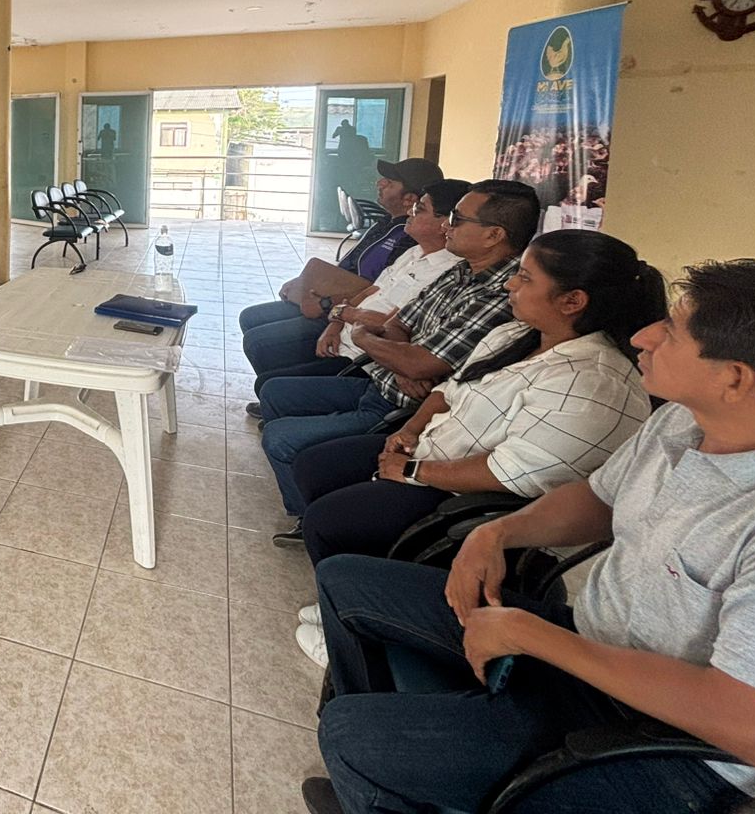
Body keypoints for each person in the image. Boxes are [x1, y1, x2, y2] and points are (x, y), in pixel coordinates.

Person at [301, 258, 755, 814]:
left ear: (734, 377)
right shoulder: (681, 423)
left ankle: (391, 773)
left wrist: (532, 635)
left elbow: (750, 726)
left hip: (662, 740)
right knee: (345, 582)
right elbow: (597, 498)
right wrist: (498, 533)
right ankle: (407, 777)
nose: (643, 335)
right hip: (590, 644)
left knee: (350, 736)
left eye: (670, 331)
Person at [288, 229, 666, 664]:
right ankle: (347, 598)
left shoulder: (592, 383)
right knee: (316, 467)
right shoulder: (516, 336)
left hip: (470, 500)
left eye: (526, 278)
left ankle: (360, 635)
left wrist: (411, 472)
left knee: (330, 522)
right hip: (430, 453)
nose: (510, 284)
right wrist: (409, 431)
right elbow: (450, 389)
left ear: (572, 301)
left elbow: (511, 473)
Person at [260, 179, 539, 539]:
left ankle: (320, 520)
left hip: (403, 409)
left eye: (456, 218)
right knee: (275, 392)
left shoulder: (499, 293)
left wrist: (380, 344)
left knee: (282, 438)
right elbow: (398, 325)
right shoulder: (461, 270)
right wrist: (402, 358)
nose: (448, 225)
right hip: (381, 380)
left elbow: (419, 361)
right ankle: (314, 509)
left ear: (493, 235)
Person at [238, 157, 444, 392]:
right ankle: (283, 389)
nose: (380, 183)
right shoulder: (388, 225)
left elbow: (375, 293)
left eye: (390, 182)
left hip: (344, 312)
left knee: (260, 343)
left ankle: (286, 390)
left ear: (410, 198)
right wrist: (303, 283)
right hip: (338, 306)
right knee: (251, 318)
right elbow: (356, 274)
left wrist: (327, 305)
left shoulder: (409, 239)